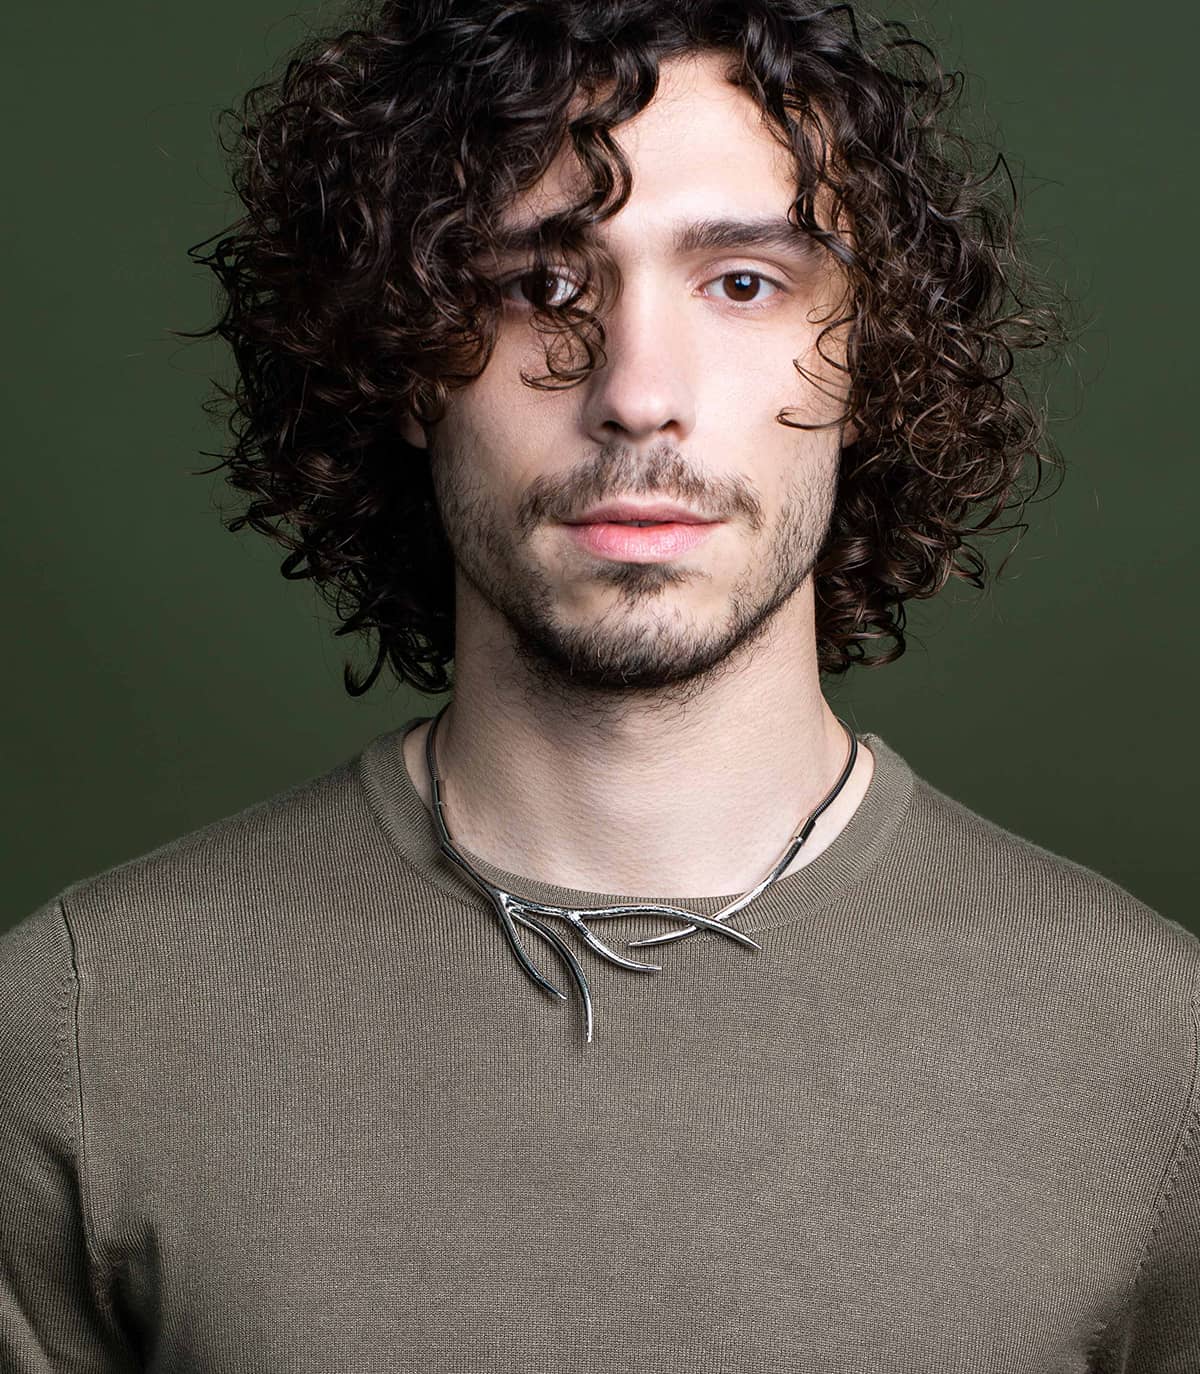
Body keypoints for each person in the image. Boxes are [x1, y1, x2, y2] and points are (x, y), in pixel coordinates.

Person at [2, 0, 1196, 1368]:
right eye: (537, 286)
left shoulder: (1155, 1052)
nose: (637, 393)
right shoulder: (82, 1028)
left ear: (871, 355)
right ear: (404, 363)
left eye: (744, 282)